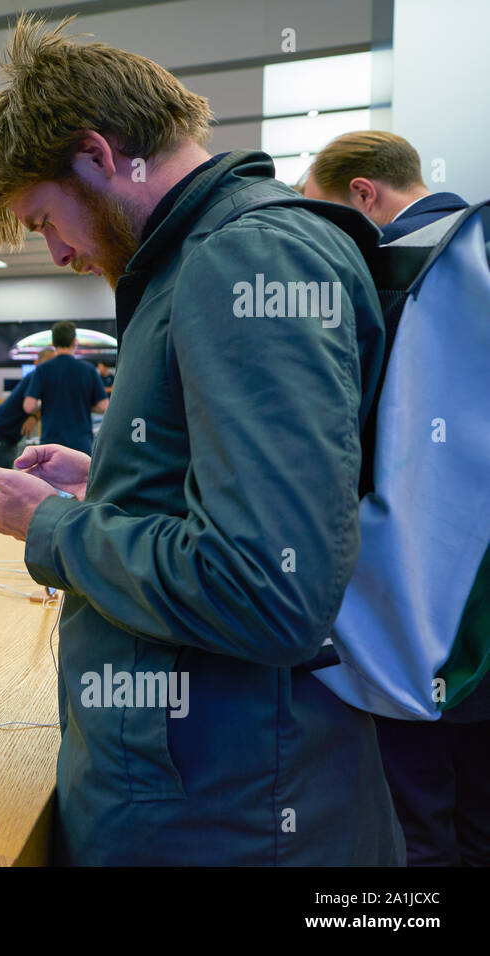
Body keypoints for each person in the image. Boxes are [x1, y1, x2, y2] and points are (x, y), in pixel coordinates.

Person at [0, 14, 402, 865]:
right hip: (212, 781)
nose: (55, 252)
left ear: (95, 155)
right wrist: (117, 477)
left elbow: (267, 589)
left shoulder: (245, 261)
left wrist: (50, 526)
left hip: (228, 813)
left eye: (46, 218)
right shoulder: (206, 258)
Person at [308, 132, 486, 867]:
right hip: (477, 614)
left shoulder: (397, 272)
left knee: (412, 834)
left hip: (409, 619)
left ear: (362, 195)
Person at [304, 130, 469, 241]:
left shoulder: (385, 255)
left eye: (325, 216)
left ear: (363, 194)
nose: (324, 229)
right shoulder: (475, 223)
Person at [22, 321, 107, 454]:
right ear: (74, 342)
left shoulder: (42, 370)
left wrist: (48, 404)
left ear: (53, 344)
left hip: (51, 445)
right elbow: (104, 407)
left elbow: (29, 406)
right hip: (81, 445)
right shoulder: (88, 370)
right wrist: (80, 404)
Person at [0, 347, 54, 467]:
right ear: (37, 363)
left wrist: (34, 417)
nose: (51, 367)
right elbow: (34, 404)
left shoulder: (38, 378)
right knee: (1, 481)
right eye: (48, 362)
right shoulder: (35, 377)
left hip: (6, 439)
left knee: (4, 478)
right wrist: (34, 416)